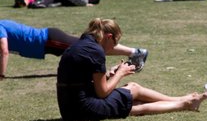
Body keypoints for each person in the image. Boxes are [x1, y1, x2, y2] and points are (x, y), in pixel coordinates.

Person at [56, 18, 207, 121]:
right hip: (84, 110)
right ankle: (185, 103)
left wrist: (111, 75)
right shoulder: (96, 50)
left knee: (131, 98)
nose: (113, 48)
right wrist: (121, 73)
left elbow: (83, 82)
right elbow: (102, 92)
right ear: (109, 37)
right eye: (115, 43)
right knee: (134, 92)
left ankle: (183, 100)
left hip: (69, 109)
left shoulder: (79, 45)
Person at [0, 19, 148, 80]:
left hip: (49, 41)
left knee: (92, 47)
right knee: (92, 46)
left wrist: (1, 75)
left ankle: (135, 52)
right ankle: (135, 52)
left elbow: (4, 51)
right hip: (48, 40)